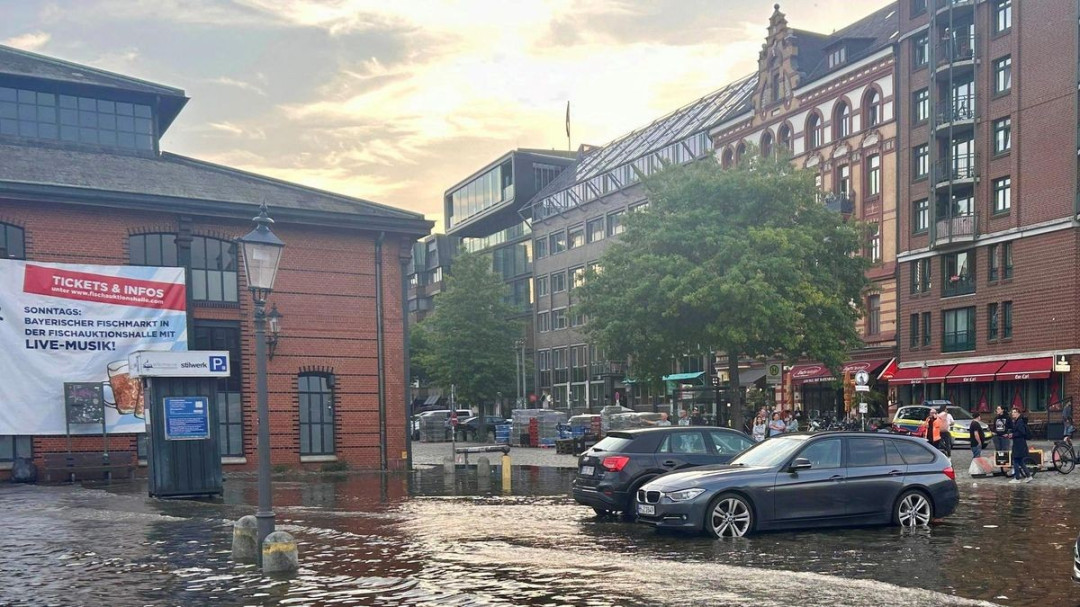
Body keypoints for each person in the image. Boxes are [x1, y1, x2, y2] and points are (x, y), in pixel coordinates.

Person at [1008, 407, 1033, 484]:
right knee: (1020, 461)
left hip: (1019, 443)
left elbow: (1022, 432)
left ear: (1018, 413)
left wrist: (1013, 435)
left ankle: (1017, 478)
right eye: (1012, 412)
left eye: (1014, 412)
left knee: (1015, 460)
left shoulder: (1020, 421)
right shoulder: (1017, 421)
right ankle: (1028, 476)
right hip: (1018, 443)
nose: (1013, 413)